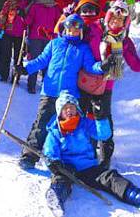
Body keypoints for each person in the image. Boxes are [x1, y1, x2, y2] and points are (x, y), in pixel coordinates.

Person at [43, 90, 140, 217]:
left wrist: (101, 119)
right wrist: (53, 162)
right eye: (65, 108)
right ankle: (56, 199)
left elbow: (104, 135)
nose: (69, 110)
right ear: (59, 112)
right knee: (60, 179)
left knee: (110, 177)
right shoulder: (55, 130)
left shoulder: (83, 123)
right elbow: (49, 150)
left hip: (87, 166)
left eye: (72, 107)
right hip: (66, 167)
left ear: (77, 109)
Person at [80, 0, 140, 169]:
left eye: (121, 20)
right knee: (85, 118)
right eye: (114, 17)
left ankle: (105, 159)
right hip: (86, 81)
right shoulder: (93, 29)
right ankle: (86, 153)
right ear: (108, 16)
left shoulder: (125, 41)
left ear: (125, 22)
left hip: (105, 86)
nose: (116, 21)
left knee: (104, 120)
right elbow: (73, 36)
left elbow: (135, 64)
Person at [15, 14, 112, 170]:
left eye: (76, 28)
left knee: (71, 127)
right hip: (49, 92)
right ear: (64, 28)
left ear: (80, 31)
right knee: (41, 123)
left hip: (70, 96)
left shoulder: (83, 48)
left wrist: (101, 67)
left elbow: (89, 66)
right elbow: (41, 60)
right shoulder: (54, 44)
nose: (72, 31)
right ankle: (29, 156)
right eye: (69, 27)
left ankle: (73, 158)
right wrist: (25, 68)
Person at [24, 0, 63, 94]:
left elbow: (58, 22)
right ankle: (31, 84)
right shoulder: (35, 6)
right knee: (35, 60)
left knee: (49, 62)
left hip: (49, 38)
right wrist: (24, 18)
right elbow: (29, 20)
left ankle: (46, 85)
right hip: (35, 37)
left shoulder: (55, 7)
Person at [0, 0, 34, 82]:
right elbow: (3, 13)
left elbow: (31, 20)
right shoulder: (12, 1)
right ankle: (4, 75)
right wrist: (0, 25)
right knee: (6, 54)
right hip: (9, 31)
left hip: (22, 34)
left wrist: (24, 15)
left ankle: (16, 77)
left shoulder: (32, 4)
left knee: (19, 57)